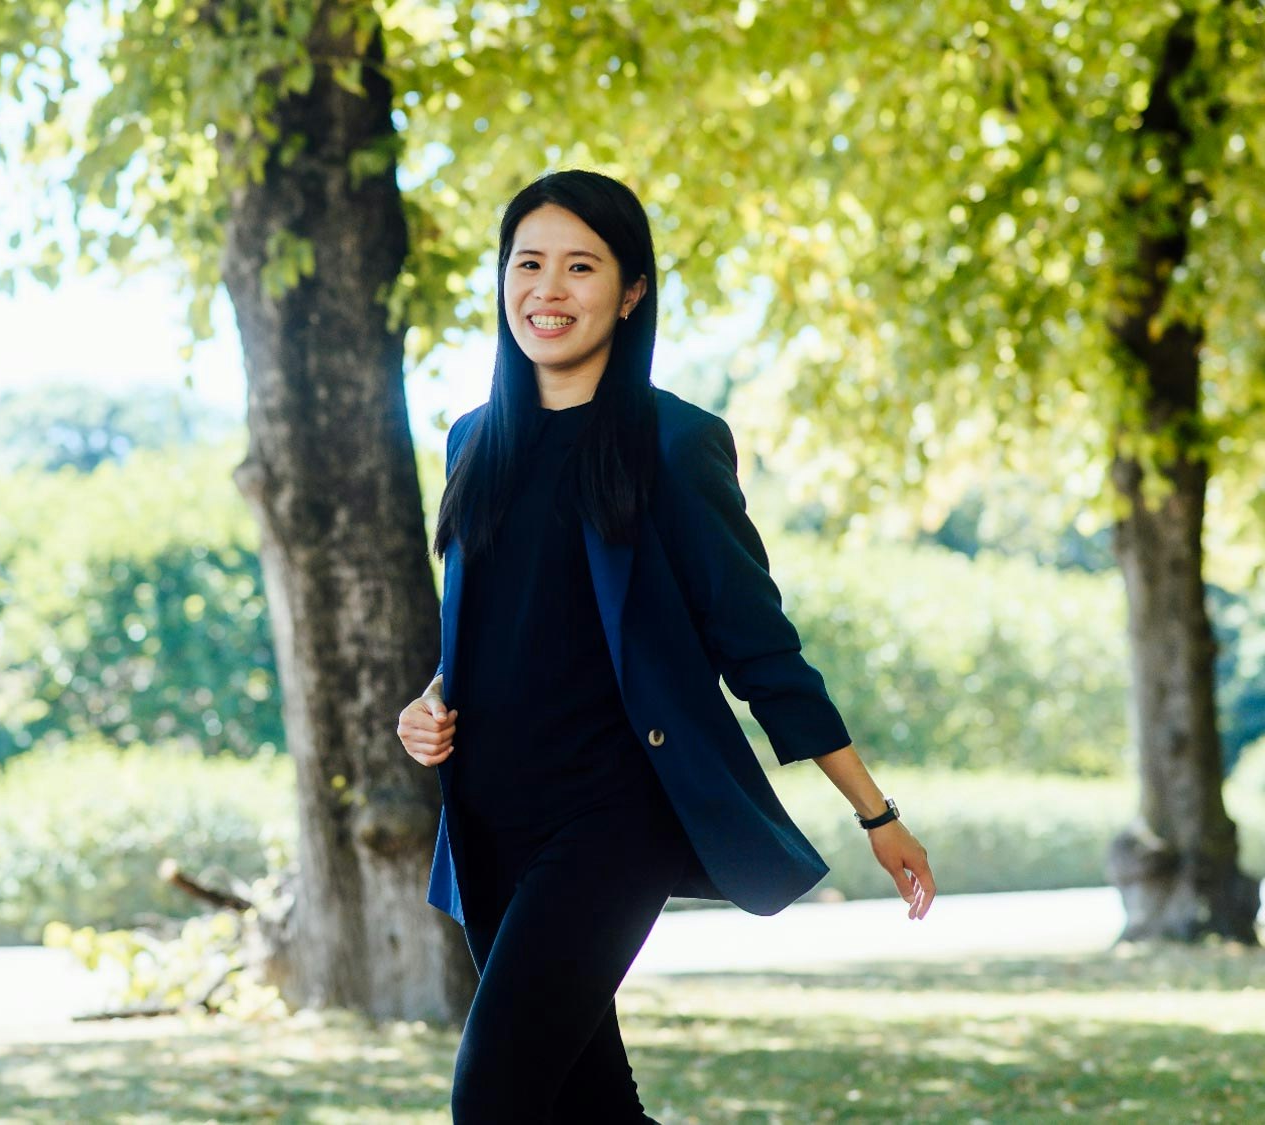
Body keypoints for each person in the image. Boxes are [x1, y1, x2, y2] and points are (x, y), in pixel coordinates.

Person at [394, 169, 938, 1123]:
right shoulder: (473, 441)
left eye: (580, 266)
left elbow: (759, 646)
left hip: (616, 816)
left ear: (631, 290)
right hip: (492, 818)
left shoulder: (675, 443)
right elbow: (493, 630)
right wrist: (429, 702)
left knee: (493, 1099)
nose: (548, 290)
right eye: (528, 264)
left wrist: (874, 812)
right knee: (589, 1105)